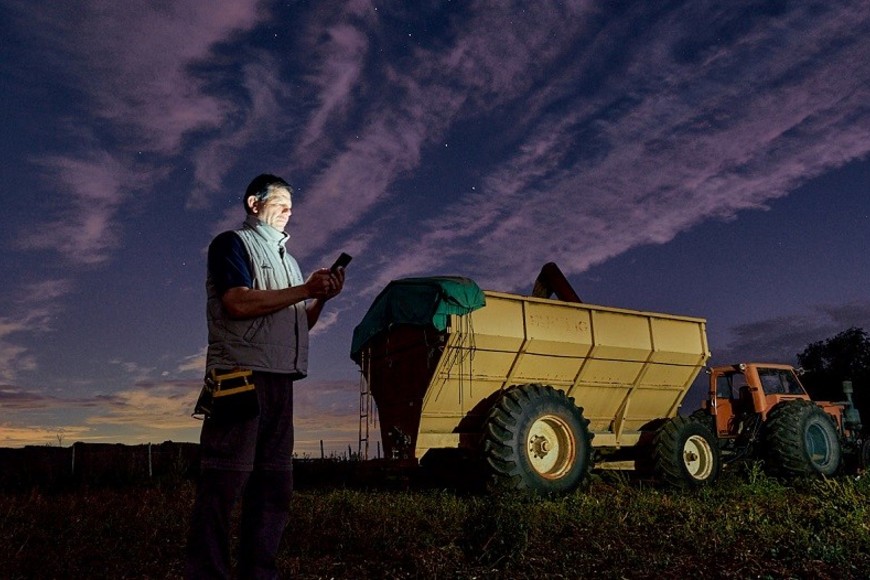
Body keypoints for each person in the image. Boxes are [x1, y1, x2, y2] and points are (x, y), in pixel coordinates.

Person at [186, 174, 344, 579]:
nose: (290, 211)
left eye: (293, 205)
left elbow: (294, 327)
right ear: (253, 203)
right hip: (239, 374)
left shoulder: (289, 262)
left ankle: (259, 573)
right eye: (281, 202)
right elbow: (236, 302)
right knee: (224, 483)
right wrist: (305, 289)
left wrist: (318, 298)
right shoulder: (231, 243)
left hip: (280, 381)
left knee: (274, 486)